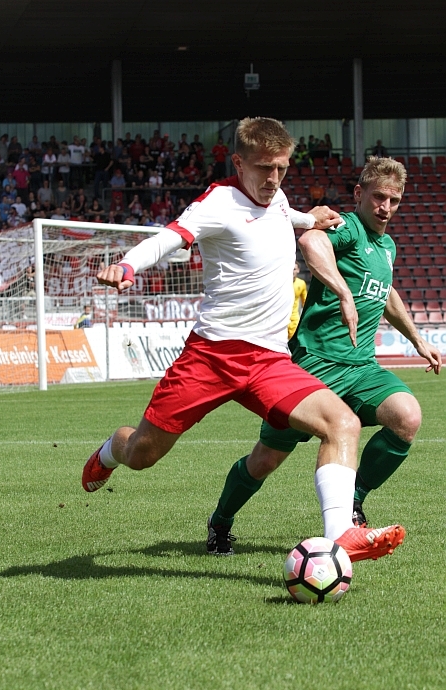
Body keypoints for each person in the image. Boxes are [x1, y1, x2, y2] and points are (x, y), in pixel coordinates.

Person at [82, 117, 404, 564]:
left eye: (282, 168)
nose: (273, 178)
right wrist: (127, 265)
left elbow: (283, 214)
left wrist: (310, 218)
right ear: (239, 162)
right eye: (264, 168)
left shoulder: (277, 197)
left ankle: (340, 536)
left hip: (270, 360)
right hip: (211, 357)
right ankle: (109, 452)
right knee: (142, 454)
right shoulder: (218, 202)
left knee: (342, 423)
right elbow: (168, 238)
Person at [209, 155, 440, 553]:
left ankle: (352, 503)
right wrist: (343, 292)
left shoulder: (386, 246)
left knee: (407, 417)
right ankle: (220, 521)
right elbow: (310, 241)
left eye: (394, 200)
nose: (385, 207)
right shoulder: (347, 227)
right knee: (266, 459)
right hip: (315, 365)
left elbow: (386, 293)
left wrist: (418, 340)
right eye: (378, 197)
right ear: (359, 194)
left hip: (361, 367)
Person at [288, 261, 307, 340]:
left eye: (294, 269)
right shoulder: (281, 283)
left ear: (298, 270)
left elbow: (305, 302)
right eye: (290, 269)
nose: (292, 271)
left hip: (294, 318)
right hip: (281, 317)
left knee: (293, 341)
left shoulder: (301, 283)